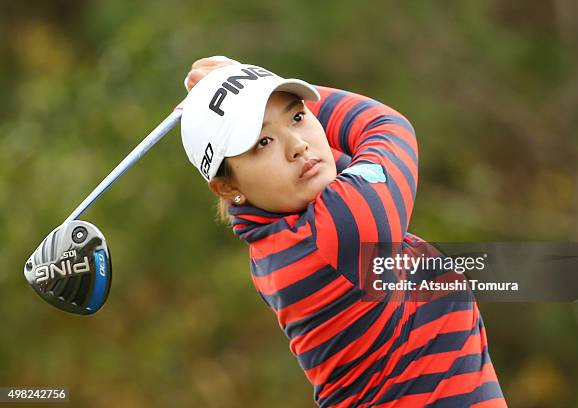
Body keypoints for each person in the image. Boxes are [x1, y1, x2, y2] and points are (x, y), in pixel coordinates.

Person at [180, 56, 507, 407]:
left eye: (298, 116)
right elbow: (385, 126)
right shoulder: (339, 230)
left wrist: (246, 86)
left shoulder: (274, 241)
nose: (297, 145)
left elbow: (337, 165)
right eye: (263, 142)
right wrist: (252, 79)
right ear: (228, 189)